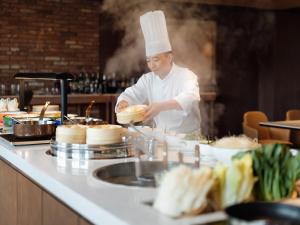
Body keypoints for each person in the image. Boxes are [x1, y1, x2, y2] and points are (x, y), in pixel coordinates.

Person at [115, 10, 201, 133]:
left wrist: (160, 106)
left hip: (189, 139)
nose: (151, 65)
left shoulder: (186, 75)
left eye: (156, 59)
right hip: (162, 138)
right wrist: (123, 103)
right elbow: (131, 94)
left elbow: (190, 97)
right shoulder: (147, 79)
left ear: (169, 57)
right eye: (148, 60)